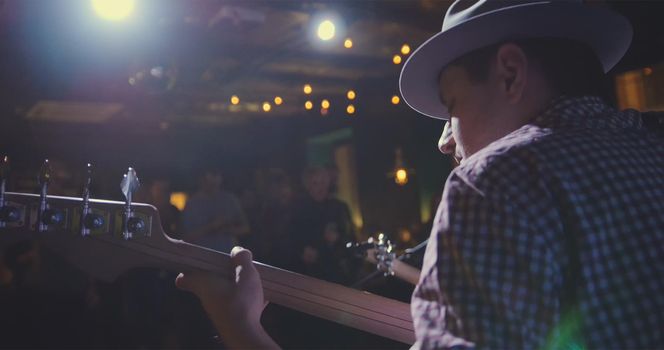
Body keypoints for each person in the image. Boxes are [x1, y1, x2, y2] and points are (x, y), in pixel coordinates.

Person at [175, 1, 663, 349]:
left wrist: (242, 327)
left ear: (510, 72)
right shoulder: (651, 151)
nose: (445, 141)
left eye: (452, 108)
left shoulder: (496, 177)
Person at [182, 168, 250, 253]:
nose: (213, 183)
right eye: (209, 180)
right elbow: (186, 237)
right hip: (202, 256)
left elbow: (245, 228)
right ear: (202, 180)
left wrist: (226, 229)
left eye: (216, 178)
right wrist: (211, 226)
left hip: (228, 256)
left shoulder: (230, 200)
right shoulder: (191, 205)